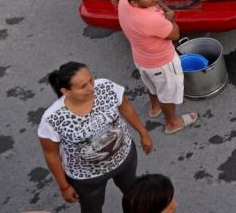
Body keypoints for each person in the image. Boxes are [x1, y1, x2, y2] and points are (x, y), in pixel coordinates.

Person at [38, 62, 153, 213]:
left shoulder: (106, 87)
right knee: (92, 209)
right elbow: (51, 154)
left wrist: (143, 133)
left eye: (91, 80)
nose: (92, 88)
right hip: (87, 177)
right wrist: (64, 186)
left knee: (136, 197)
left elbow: (125, 107)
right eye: (82, 86)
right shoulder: (52, 119)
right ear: (66, 91)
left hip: (124, 159)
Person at [117, 0, 197, 135]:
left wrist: (158, 4)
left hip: (141, 58)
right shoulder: (150, 20)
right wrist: (171, 18)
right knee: (167, 94)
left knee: (151, 83)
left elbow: (153, 1)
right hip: (162, 63)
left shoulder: (124, 1)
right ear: (135, 2)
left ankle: (155, 107)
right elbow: (175, 34)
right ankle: (172, 122)